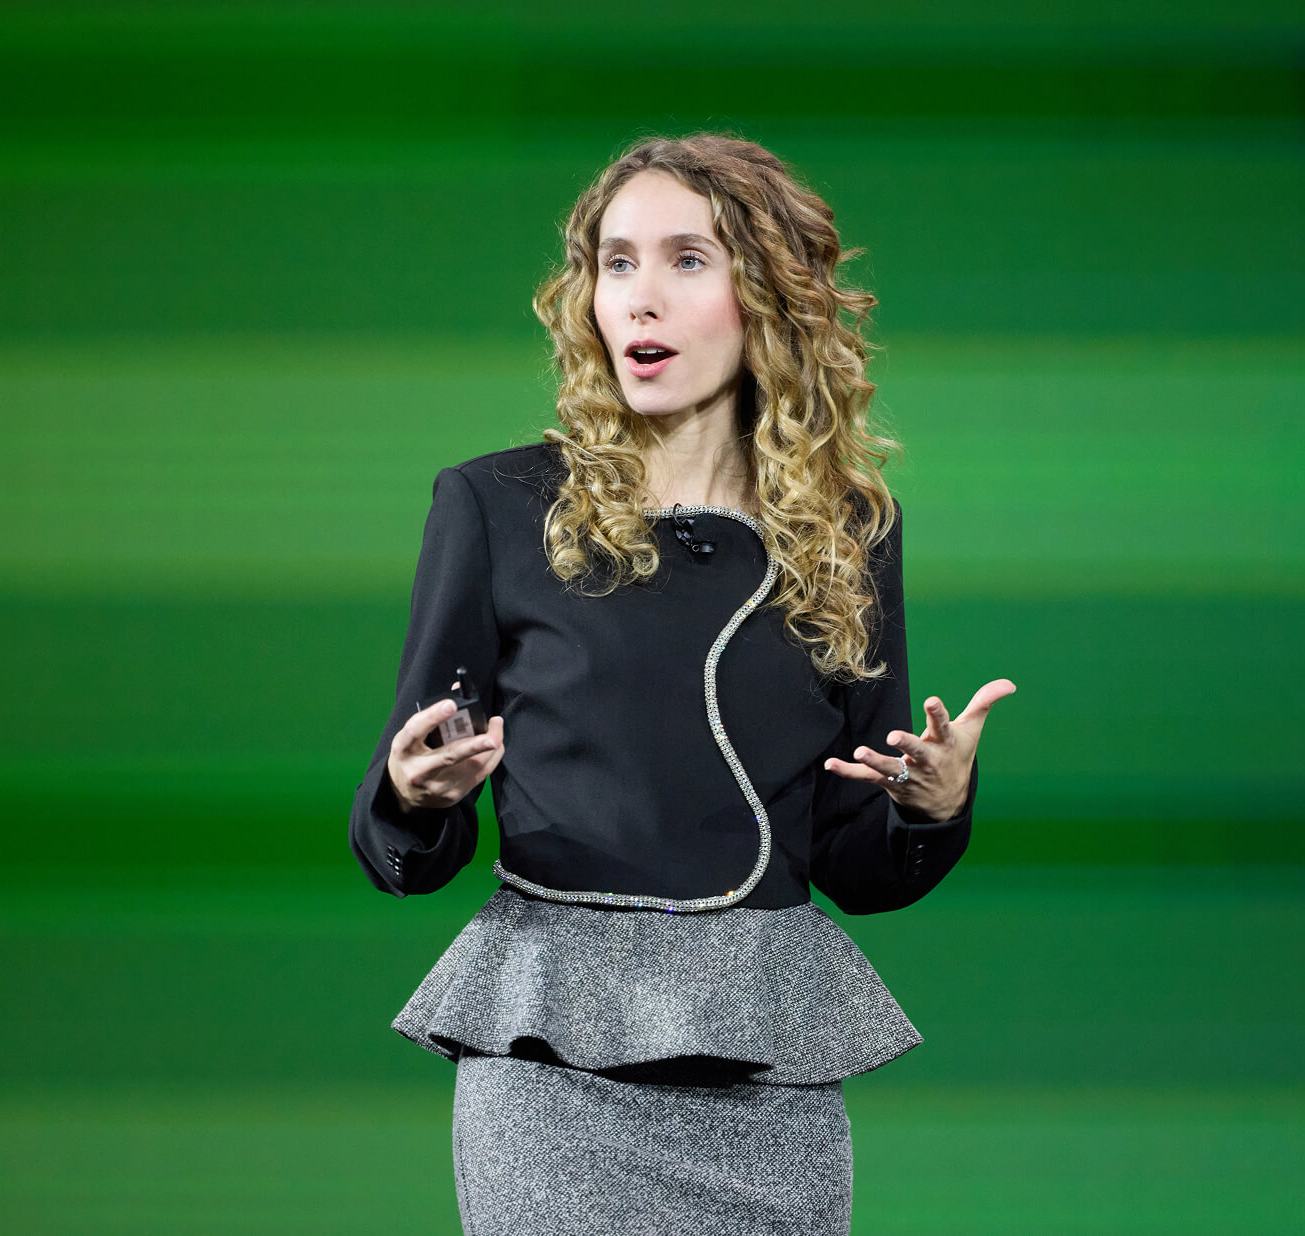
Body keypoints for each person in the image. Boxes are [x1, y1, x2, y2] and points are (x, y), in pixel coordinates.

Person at [350, 132, 1015, 1235]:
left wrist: (931, 806)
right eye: (616, 263)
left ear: (768, 298)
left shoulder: (852, 532)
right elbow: (398, 845)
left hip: (768, 1069)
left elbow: (857, 859)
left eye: (685, 261)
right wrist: (415, 797)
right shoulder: (497, 508)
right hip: (551, 1060)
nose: (638, 300)